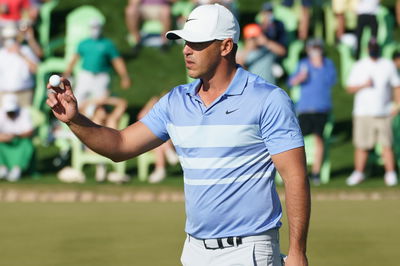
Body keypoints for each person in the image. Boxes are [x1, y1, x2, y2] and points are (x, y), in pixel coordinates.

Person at [47, 4, 310, 265]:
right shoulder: (175, 101)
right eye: (185, 42)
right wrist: (75, 120)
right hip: (194, 251)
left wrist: (297, 251)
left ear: (226, 46)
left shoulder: (268, 99)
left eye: (197, 43)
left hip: (248, 250)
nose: (186, 50)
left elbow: (295, 176)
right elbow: (120, 145)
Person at [346, 39, 400, 187]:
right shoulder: (359, 65)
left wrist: (397, 105)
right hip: (363, 112)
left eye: (375, 47)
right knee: (362, 145)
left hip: (383, 112)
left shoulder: (388, 65)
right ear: (367, 48)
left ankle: (390, 173)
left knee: (386, 144)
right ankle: (359, 172)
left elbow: (396, 86)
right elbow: (349, 88)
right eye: (371, 47)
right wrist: (364, 85)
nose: (373, 49)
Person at [288, 39, 336, 185]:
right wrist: (299, 78)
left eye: (317, 48)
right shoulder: (303, 63)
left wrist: (319, 65)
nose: (315, 51)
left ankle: (315, 173)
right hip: (305, 109)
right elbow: (291, 82)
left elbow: (332, 80)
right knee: (296, 140)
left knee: (319, 139)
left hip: (321, 108)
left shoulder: (327, 63)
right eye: (312, 48)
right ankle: (296, 172)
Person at [64, 19, 131, 105]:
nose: (95, 30)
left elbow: (117, 61)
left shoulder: (108, 44)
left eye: (97, 27)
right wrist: (67, 72)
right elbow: (75, 58)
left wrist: (124, 76)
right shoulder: (84, 43)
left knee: (100, 102)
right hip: (86, 75)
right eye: (93, 27)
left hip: (101, 76)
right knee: (77, 99)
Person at [137, 95, 179, 183]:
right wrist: (152, 102)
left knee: (158, 142)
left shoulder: (172, 113)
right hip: (157, 142)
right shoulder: (152, 114)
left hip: (170, 141)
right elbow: (140, 116)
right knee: (158, 142)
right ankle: (168, 152)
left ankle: (160, 170)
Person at [0, 23, 39, 107]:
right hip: (5, 94)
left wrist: (21, 54)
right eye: (7, 38)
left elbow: (35, 69)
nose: (9, 41)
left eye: (12, 38)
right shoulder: (1, 54)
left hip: (25, 94)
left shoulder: (26, 50)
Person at [0, 93, 34, 182]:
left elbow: (30, 131)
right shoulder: (1, 114)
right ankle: (2, 168)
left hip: (20, 140)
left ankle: (17, 169)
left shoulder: (24, 112)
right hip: (4, 141)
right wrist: (3, 137)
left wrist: (16, 135)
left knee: (27, 144)